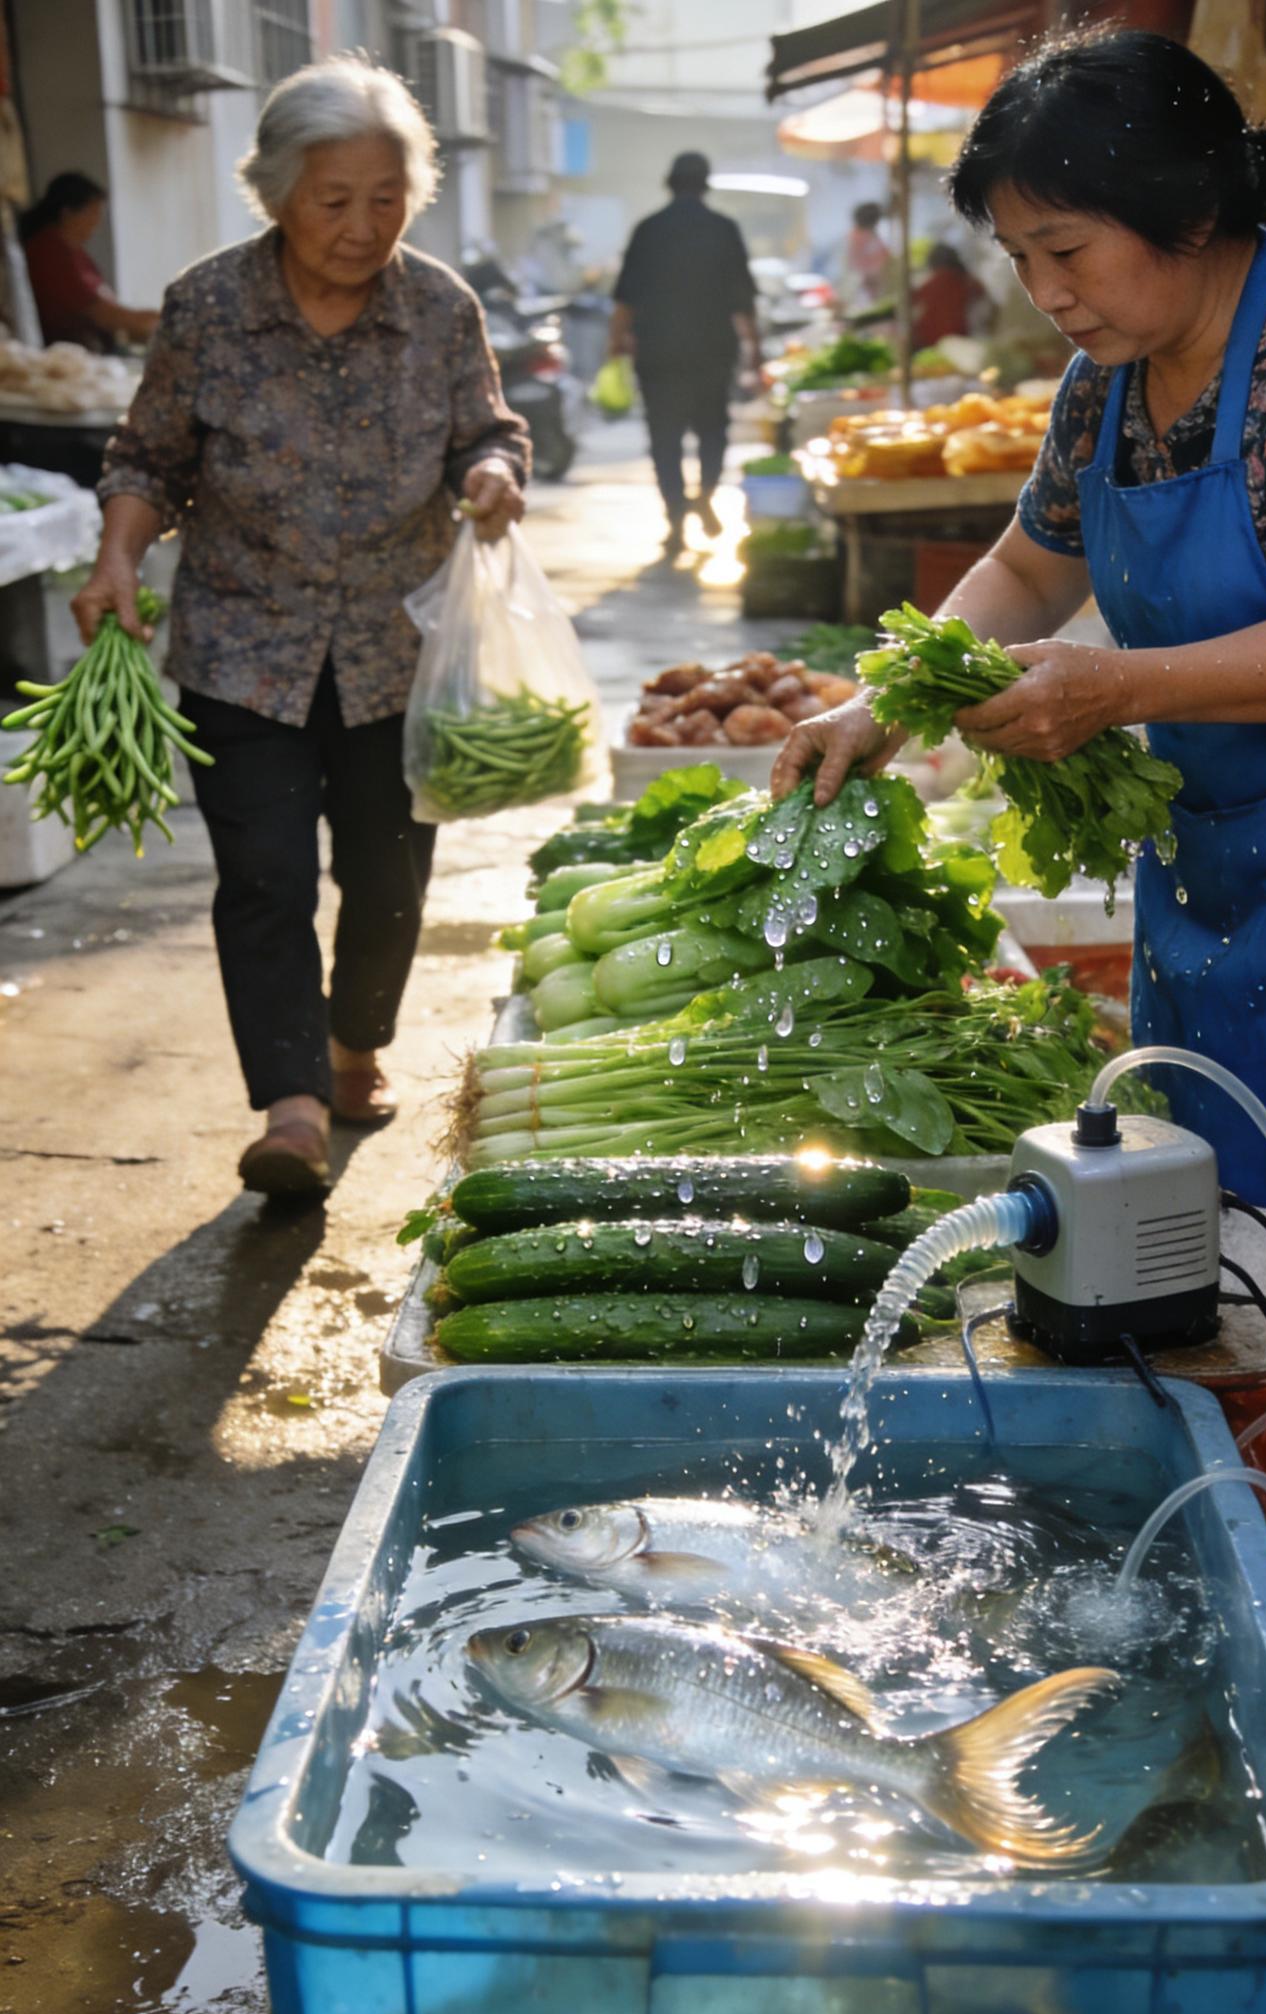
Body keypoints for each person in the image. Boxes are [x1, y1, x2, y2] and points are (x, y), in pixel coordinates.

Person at [773, 26, 1266, 1202]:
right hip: (1205, 878)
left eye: (1064, 249)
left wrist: (1119, 687)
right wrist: (891, 698)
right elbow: (1029, 564)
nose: (1045, 294)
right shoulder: (1104, 379)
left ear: (1187, 211)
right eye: (1015, 257)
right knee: (1222, 1232)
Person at [74, 55, 529, 1198]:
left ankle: (352, 1045)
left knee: (387, 879)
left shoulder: (439, 307)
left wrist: (490, 472)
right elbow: (148, 458)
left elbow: (489, 427)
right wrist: (118, 555)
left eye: (386, 197)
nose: (362, 226)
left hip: (396, 651)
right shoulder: (207, 307)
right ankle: (291, 1107)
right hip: (243, 647)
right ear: (276, 192)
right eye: (334, 200)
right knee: (265, 877)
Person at [608, 152, 760, 560]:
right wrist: (757, 351)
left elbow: (625, 299)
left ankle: (676, 519)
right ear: (705, 183)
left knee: (665, 439)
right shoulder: (723, 229)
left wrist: (615, 344)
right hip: (713, 353)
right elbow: (744, 302)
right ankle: (706, 494)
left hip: (659, 354)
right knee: (713, 432)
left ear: (670, 182)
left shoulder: (649, 229)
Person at [20, 172, 158, 349]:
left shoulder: (73, 250)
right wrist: (161, 322)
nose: (96, 221)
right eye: (92, 212)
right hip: (67, 353)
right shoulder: (48, 251)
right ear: (67, 213)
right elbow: (102, 315)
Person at [912, 242, 990, 350]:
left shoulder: (929, 283)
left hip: (930, 339)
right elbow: (983, 295)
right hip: (958, 338)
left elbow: (913, 302)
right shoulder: (966, 281)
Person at [842, 199, 892, 311]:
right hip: (863, 288)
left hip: (873, 285)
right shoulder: (858, 237)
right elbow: (856, 266)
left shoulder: (870, 234)